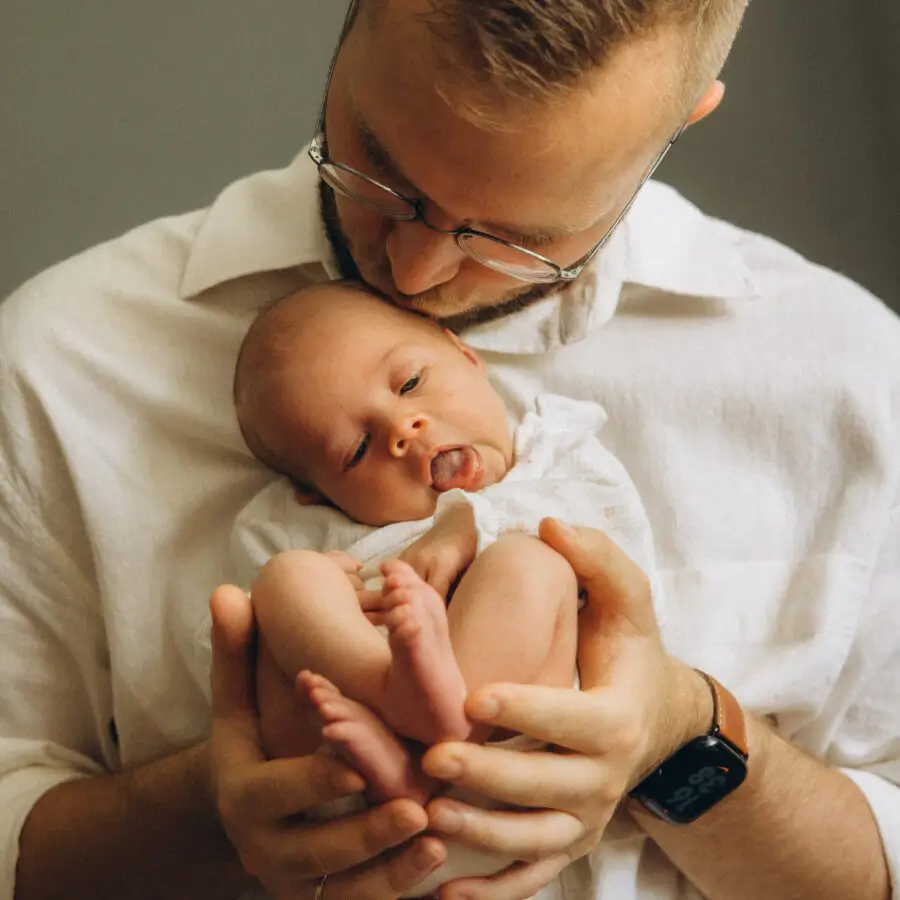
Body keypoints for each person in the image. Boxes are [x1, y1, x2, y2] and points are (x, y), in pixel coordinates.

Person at [1, 0, 898, 899]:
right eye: (382, 168)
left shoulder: (850, 375)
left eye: (522, 241)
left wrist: (677, 736)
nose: (416, 272)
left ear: (685, 116)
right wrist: (217, 809)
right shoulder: (62, 359)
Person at [230, 279, 659, 896]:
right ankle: (394, 695)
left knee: (530, 564)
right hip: (352, 791)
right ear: (319, 493)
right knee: (283, 579)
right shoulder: (311, 527)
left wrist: (470, 522)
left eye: (408, 383)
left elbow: (619, 552)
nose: (403, 426)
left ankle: (433, 722)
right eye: (356, 451)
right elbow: (249, 641)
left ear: (468, 357)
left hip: (502, 756)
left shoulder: (556, 453)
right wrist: (327, 586)